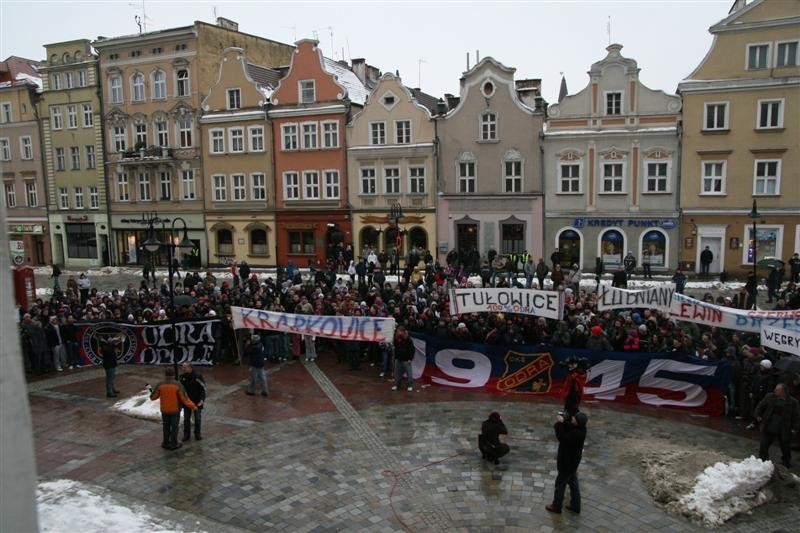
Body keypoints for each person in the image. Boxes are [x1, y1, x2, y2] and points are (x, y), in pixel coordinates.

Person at [546, 411, 588, 514]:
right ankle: (575, 505)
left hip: (567, 462)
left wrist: (559, 424)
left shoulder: (576, 434)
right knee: (573, 482)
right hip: (573, 462)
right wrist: (565, 420)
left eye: (574, 418)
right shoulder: (581, 429)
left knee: (560, 483)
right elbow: (570, 427)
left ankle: (556, 506)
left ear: (577, 422)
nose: (572, 419)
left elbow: (562, 438)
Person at [150, 367, 197, 450]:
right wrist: (193, 406)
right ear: (173, 375)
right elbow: (185, 399)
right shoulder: (178, 385)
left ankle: (165, 442)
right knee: (174, 427)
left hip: (164, 410)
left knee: (166, 426)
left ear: (165, 375)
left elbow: (153, 397)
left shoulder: (160, 384)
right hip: (175, 410)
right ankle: (174, 443)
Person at [754, 383, 799, 468]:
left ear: (783, 392)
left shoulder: (793, 402)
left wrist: (794, 428)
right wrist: (758, 415)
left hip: (784, 427)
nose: (775, 391)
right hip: (770, 424)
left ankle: (786, 461)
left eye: (777, 390)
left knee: (785, 446)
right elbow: (760, 406)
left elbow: (796, 417)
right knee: (764, 444)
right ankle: (762, 460)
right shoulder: (770, 396)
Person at [179, 362, 206, 441]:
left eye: (185, 367)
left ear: (190, 368)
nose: (183, 369)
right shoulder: (181, 377)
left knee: (197, 418)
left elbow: (203, 389)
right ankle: (186, 435)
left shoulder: (197, 377)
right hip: (186, 401)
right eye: (182, 367)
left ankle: (197, 434)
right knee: (186, 419)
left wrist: (202, 399)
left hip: (197, 401)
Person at [391, 326, 414, 392]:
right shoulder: (396, 338)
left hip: (406, 359)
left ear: (403, 332)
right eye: (397, 331)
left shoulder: (408, 339)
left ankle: (409, 385)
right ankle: (396, 385)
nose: (398, 332)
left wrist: (410, 358)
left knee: (409, 373)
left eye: (399, 331)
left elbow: (412, 349)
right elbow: (395, 347)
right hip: (398, 358)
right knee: (397, 373)